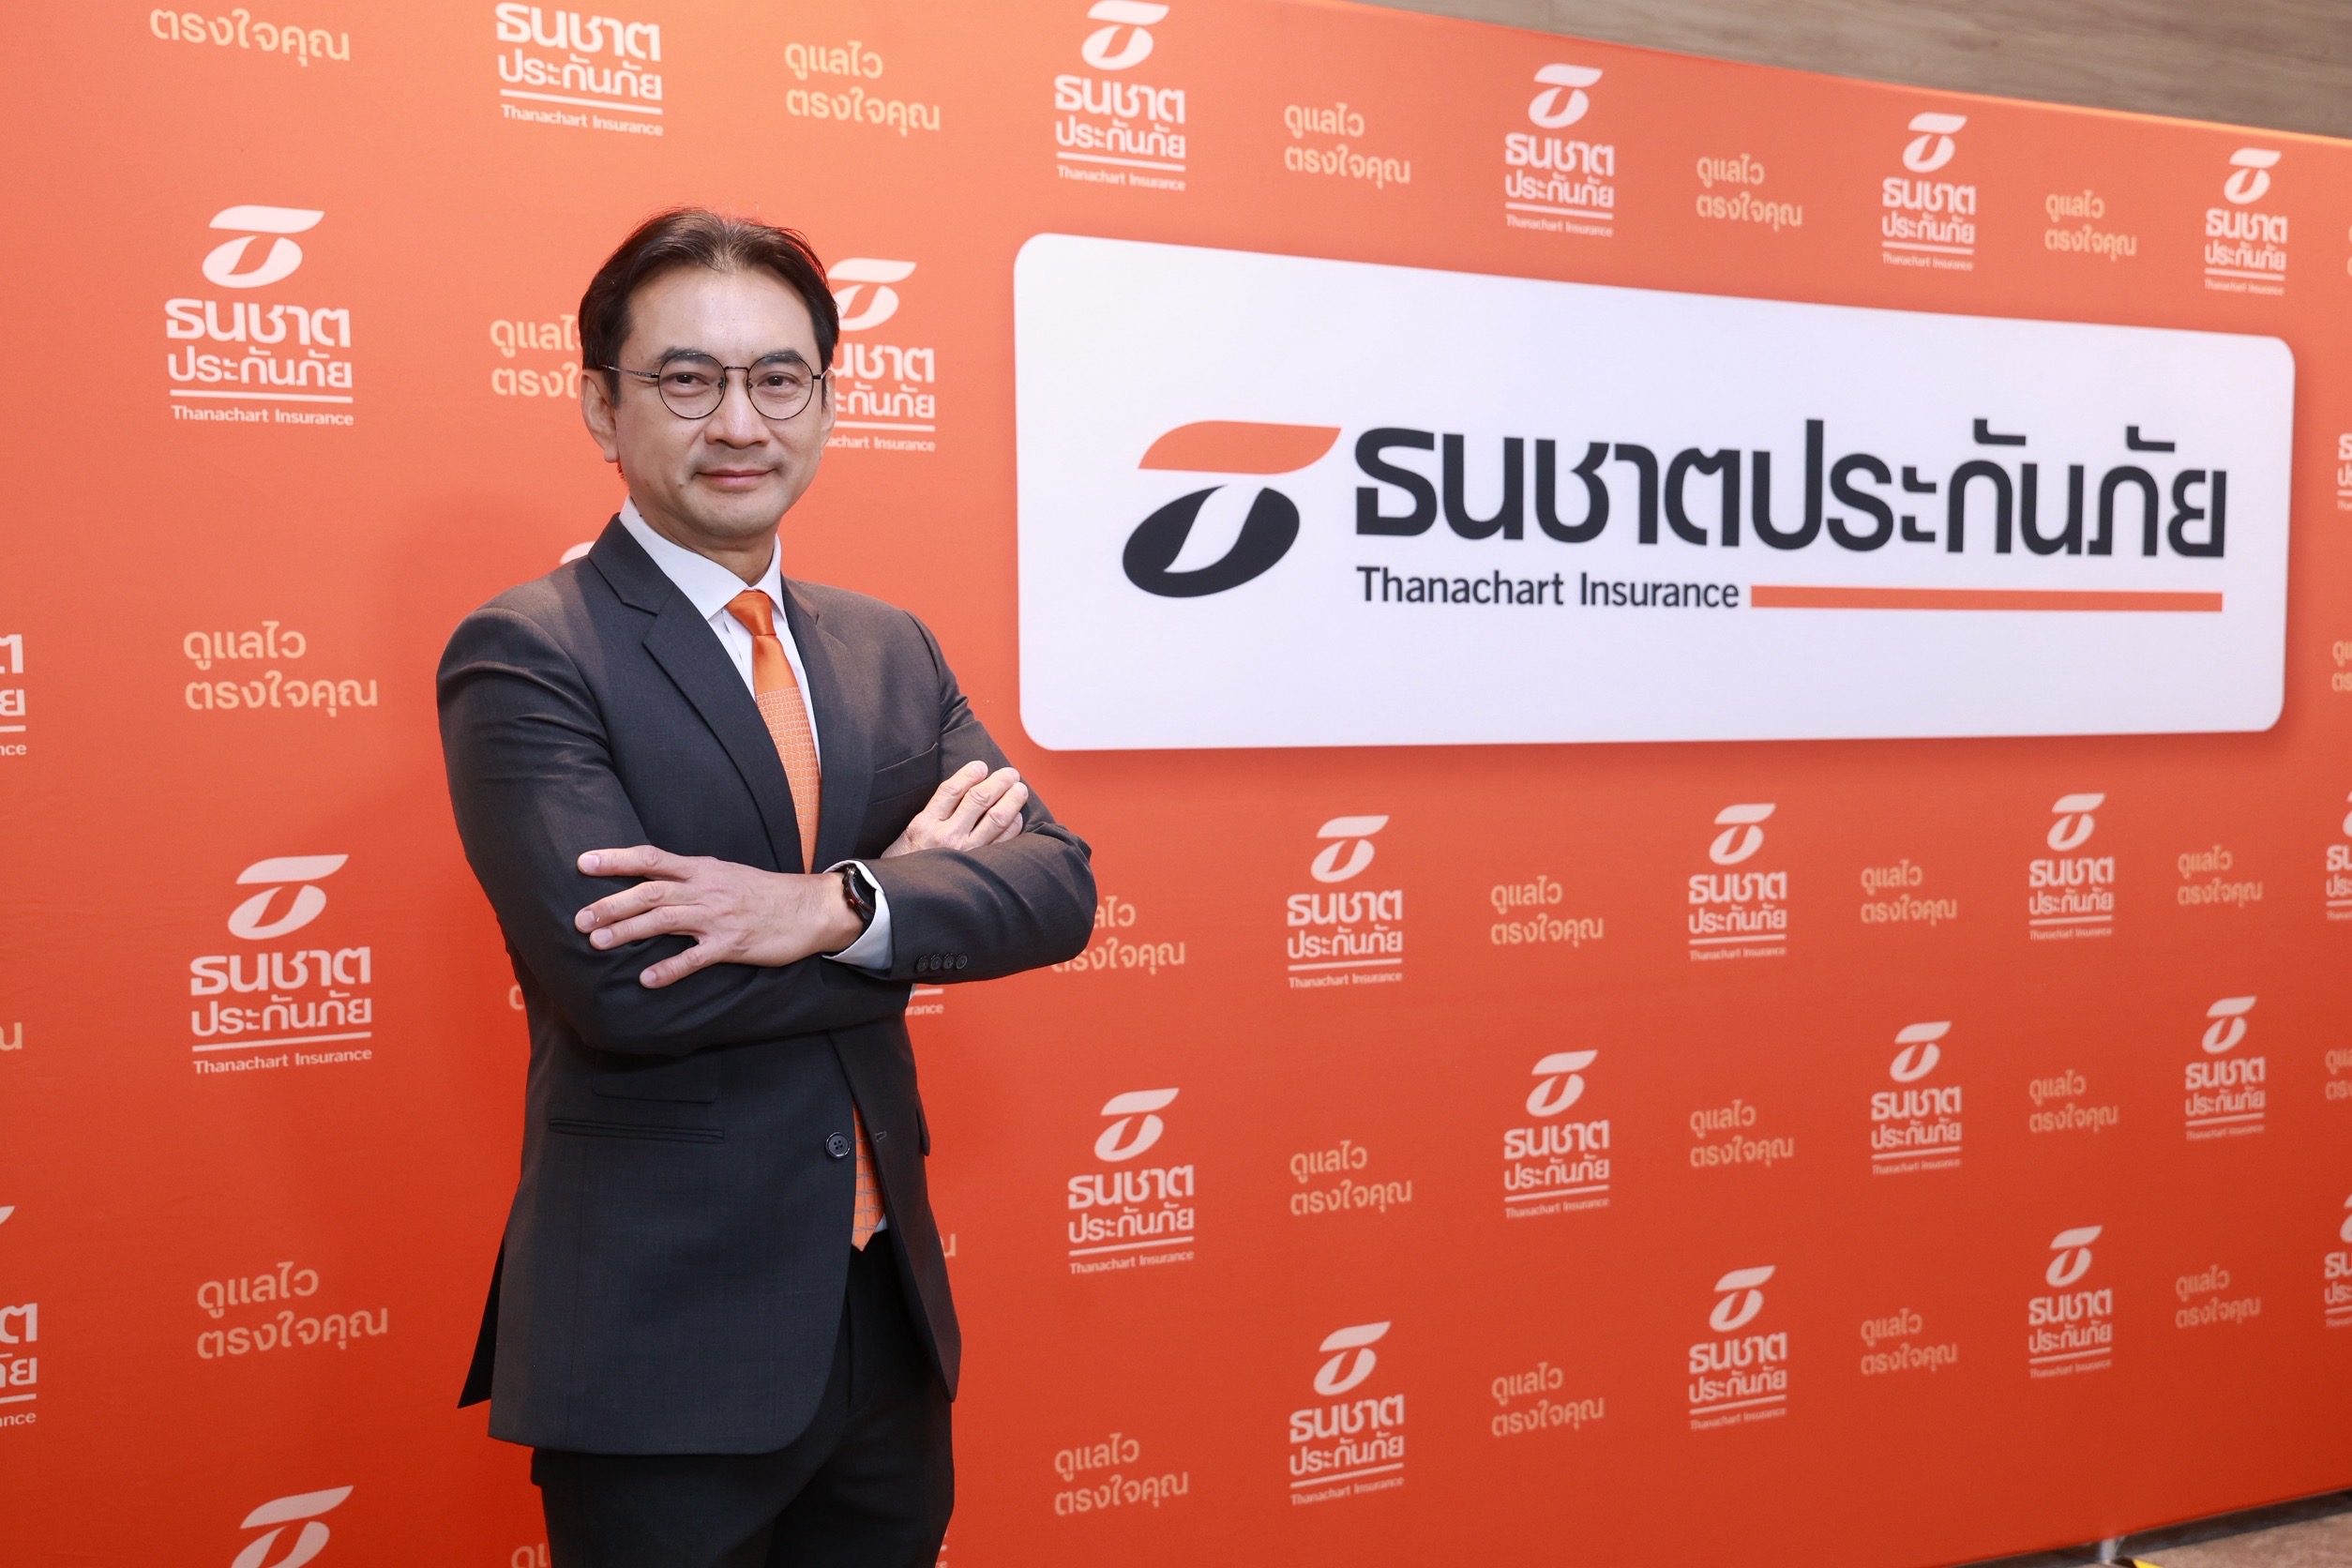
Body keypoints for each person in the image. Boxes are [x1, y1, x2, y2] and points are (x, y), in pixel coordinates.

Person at [436, 207, 1095, 1568]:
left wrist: (832, 905)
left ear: (828, 401)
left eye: (779, 379)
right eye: (688, 379)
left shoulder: (887, 647)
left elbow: (1057, 887)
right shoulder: (530, 652)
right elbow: (633, 991)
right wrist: (911, 902)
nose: (740, 422)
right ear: (600, 405)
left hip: (881, 1320)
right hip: (662, 1341)